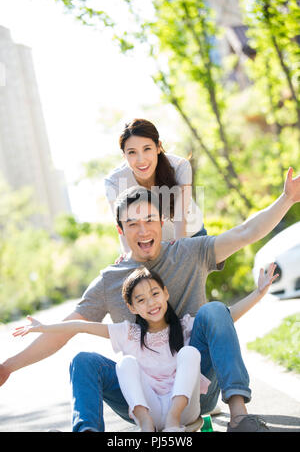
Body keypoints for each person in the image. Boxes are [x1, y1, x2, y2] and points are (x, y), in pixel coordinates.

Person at [1, 166, 300, 432]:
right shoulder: (110, 279)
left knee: (213, 311)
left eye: (149, 220)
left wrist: (286, 199)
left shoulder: (189, 252)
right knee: (83, 362)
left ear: (161, 221)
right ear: (121, 230)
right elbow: (66, 330)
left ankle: (239, 418)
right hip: (143, 397)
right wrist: (8, 366)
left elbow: (246, 232)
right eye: (132, 224)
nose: (143, 230)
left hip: (198, 384)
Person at [12, 263, 277, 432]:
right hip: (146, 410)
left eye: (154, 294)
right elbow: (80, 326)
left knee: (189, 351)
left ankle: (228, 418)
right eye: (140, 299)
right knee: (106, 361)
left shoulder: (185, 327)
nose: (150, 303)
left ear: (165, 293)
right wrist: (44, 327)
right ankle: (122, 428)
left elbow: (225, 317)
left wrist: (258, 294)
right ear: (132, 308)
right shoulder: (128, 333)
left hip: (184, 409)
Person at [104, 118, 206, 253]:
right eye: (132, 152)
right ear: (124, 155)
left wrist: (179, 256)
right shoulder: (114, 182)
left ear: (158, 147)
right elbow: (124, 230)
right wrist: (131, 261)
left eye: (147, 149)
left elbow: (180, 219)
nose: (141, 160)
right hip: (152, 246)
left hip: (191, 236)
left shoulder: (180, 166)